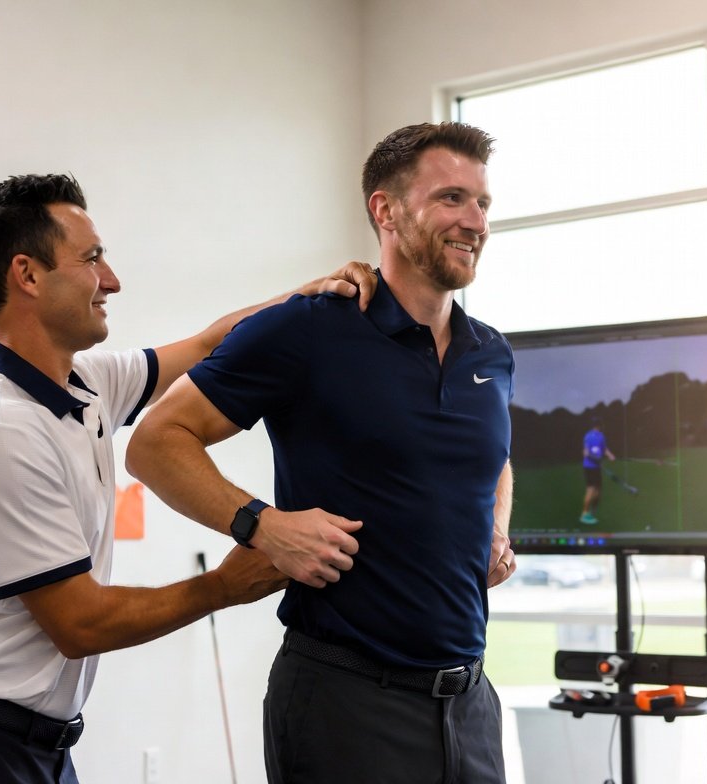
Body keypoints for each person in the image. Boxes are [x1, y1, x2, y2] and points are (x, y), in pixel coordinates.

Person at [0, 173, 377, 783]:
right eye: (91, 259)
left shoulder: (82, 382)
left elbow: (208, 344)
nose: (111, 280)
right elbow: (80, 623)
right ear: (27, 275)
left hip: (35, 743)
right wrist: (221, 586)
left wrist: (310, 298)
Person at [126, 122, 517, 784]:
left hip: (470, 706)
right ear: (385, 210)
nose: (474, 221)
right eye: (451, 198)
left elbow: (494, 457)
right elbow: (155, 442)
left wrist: (497, 527)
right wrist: (261, 525)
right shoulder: (309, 329)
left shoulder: (492, 352)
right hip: (346, 703)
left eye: (482, 202)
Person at [581, 418, 616, 524]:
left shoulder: (601, 436)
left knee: (598, 491)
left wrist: (610, 455)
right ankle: (584, 514)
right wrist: (596, 458)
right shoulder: (588, 436)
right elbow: (585, 453)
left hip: (596, 468)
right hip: (589, 467)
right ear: (599, 425)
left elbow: (604, 449)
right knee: (591, 490)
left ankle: (591, 513)